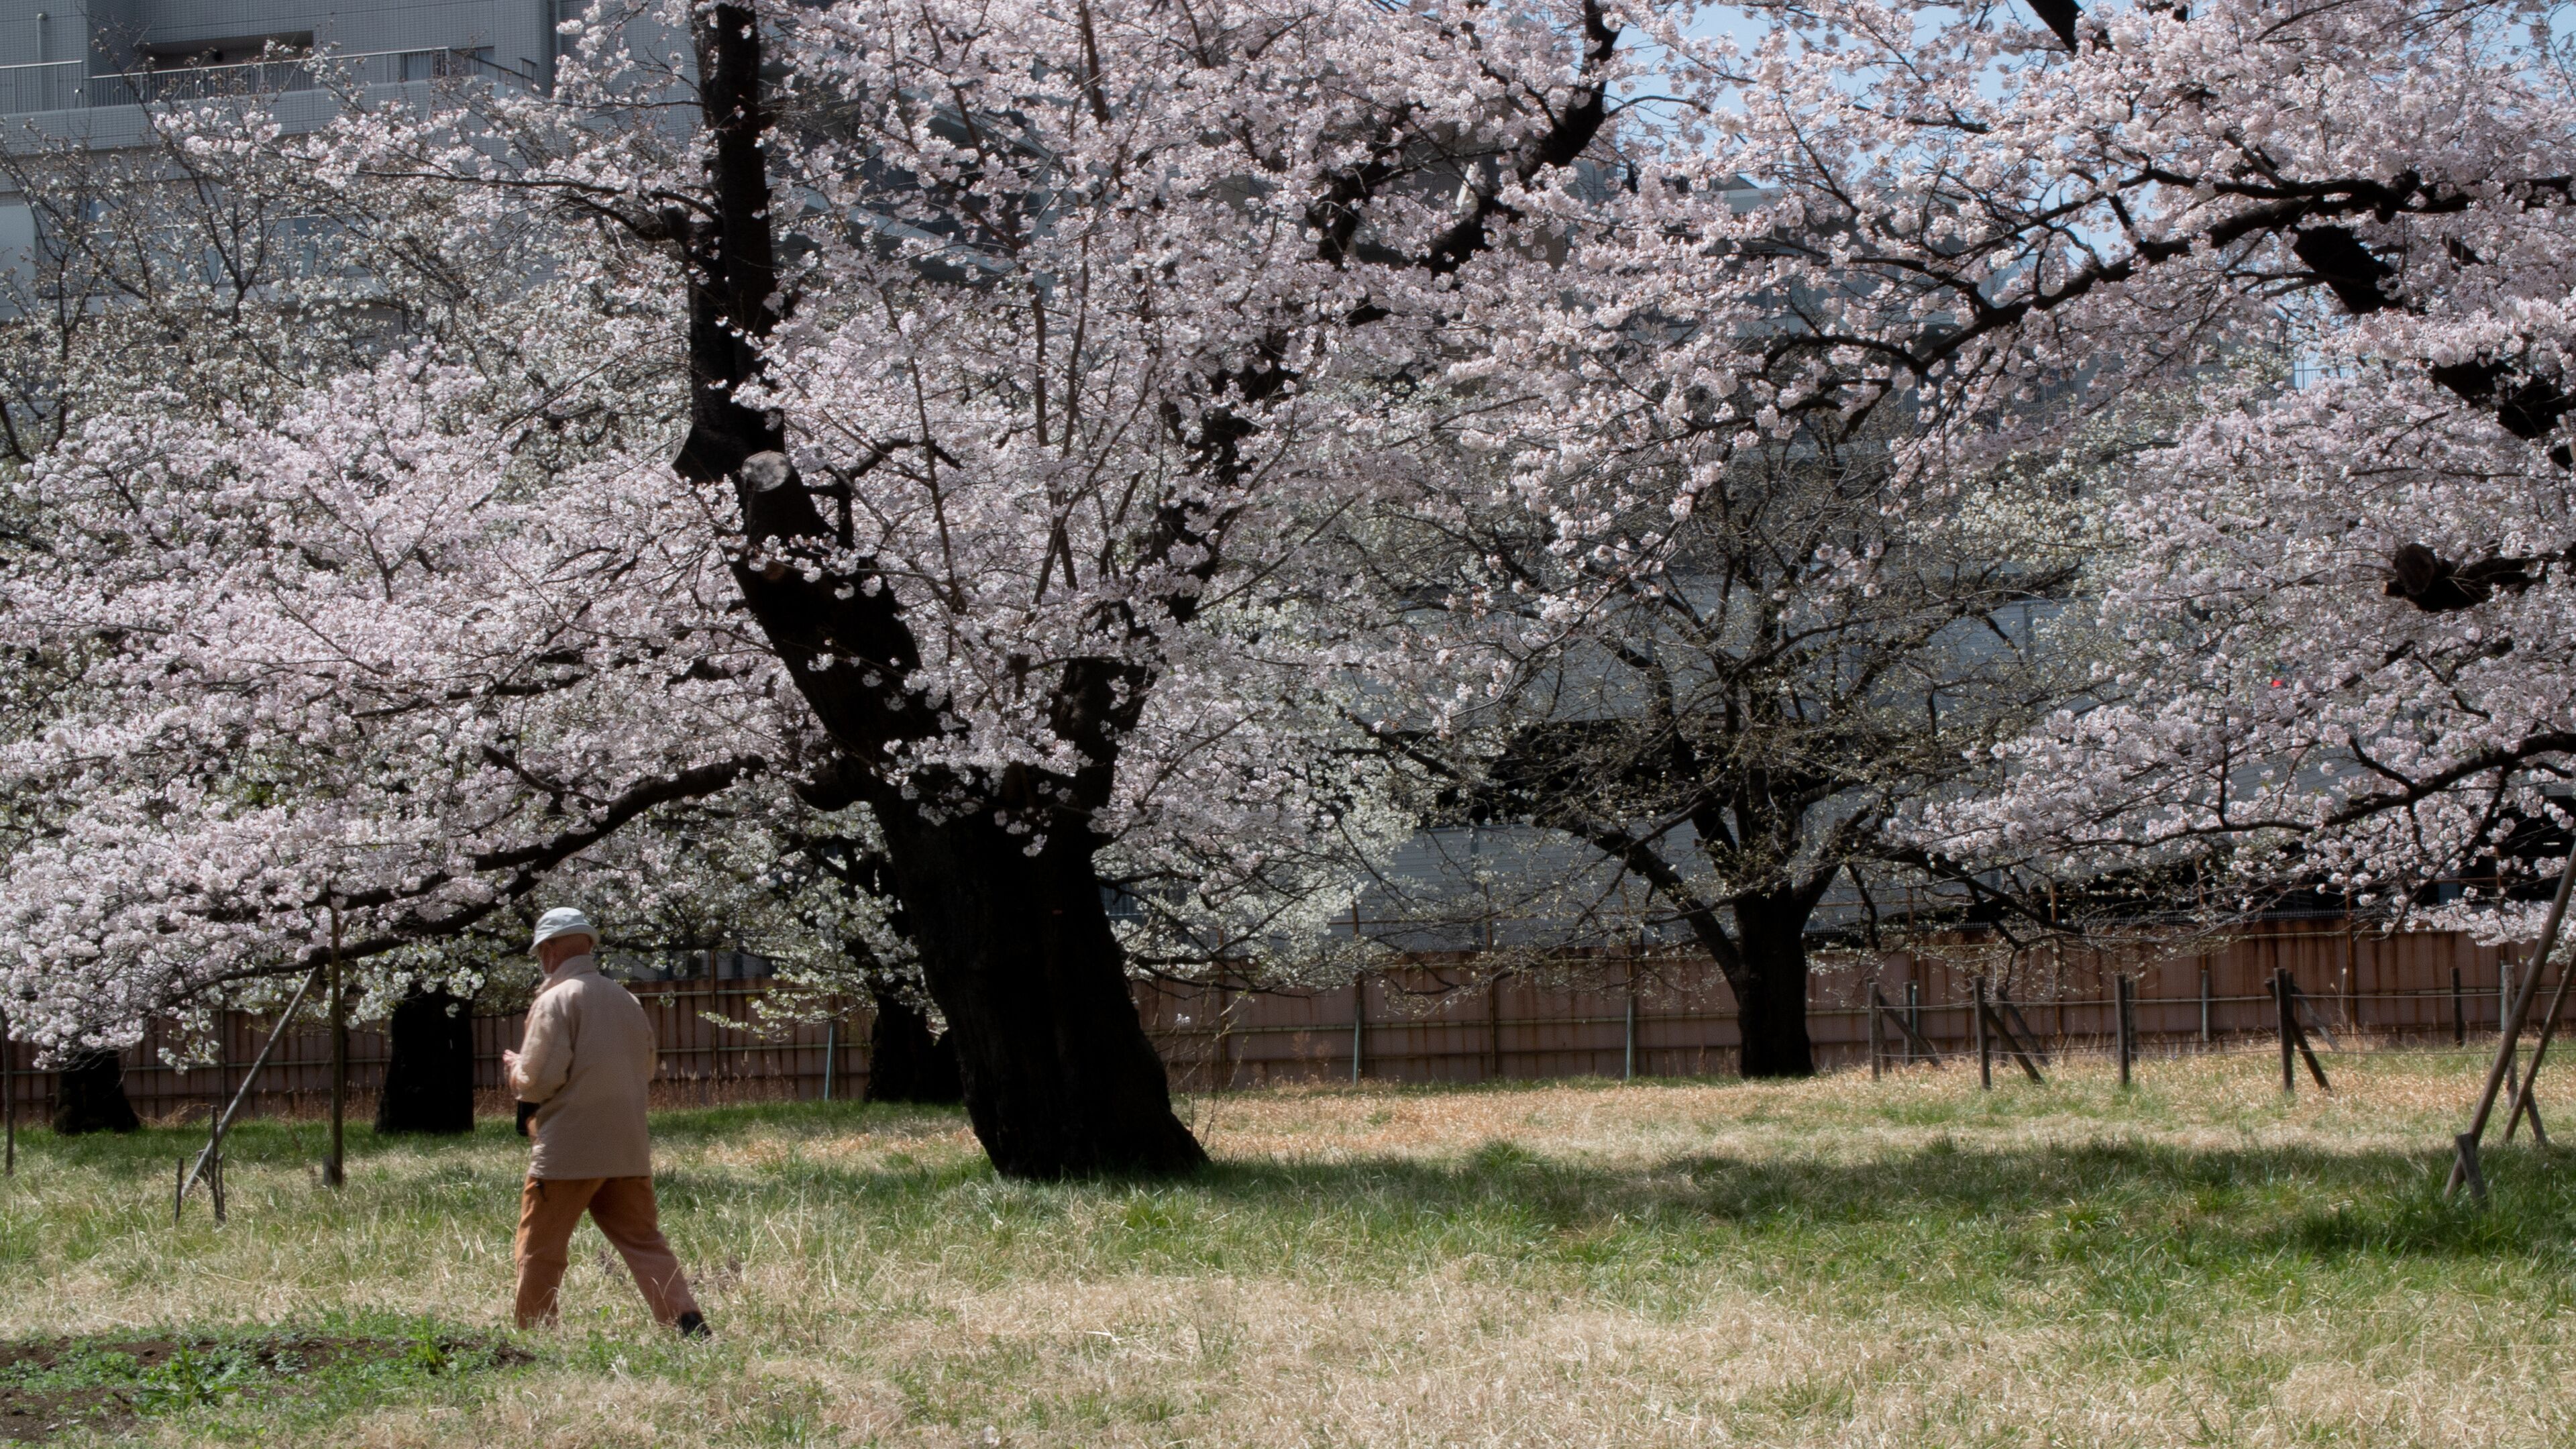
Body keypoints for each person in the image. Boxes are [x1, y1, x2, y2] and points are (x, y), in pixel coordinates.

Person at [501, 907, 708, 1338]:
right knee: (643, 1242)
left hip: (568, 1152)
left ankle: (535, 1334)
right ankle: (685, 1321)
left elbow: (539, 1081)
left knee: (541, 1248)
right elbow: (646, 1066)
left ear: (551, 948)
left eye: (541, 950)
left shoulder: (555, 1000)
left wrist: (516, 1070)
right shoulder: (625, 999)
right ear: (589, 944)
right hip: (627, 1147)